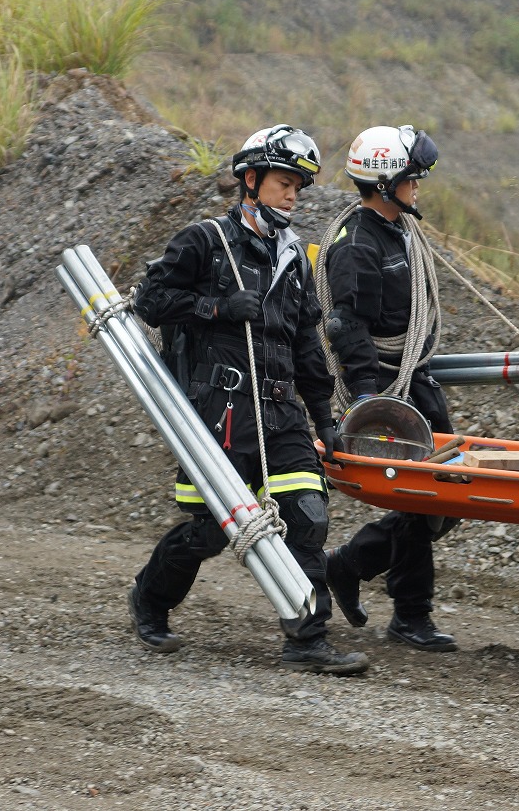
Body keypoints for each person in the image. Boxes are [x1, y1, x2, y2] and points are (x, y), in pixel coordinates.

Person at [127, 124, 369, 676]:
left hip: (282, 413)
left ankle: (306, 639)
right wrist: (216, 307)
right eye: (284, 183)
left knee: (308, 517)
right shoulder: (204, 241)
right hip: (220, 416)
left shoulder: (296, 259)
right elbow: (152, 300)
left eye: (298, 187)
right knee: (208, 532)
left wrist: (325, 418)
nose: (292, 195)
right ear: (251, 180)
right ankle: (150, 599)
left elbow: (308, 344)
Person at [319, 124, 459, 653]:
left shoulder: (397, 230)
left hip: (414, 382)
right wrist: (367, 399)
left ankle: (350, 565)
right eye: (412, 177)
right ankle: (410, 614)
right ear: (384, 183)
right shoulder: (356, 245)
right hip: (388, 388)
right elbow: (347, 328)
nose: (418, 185)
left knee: (445, 495)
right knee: (424, 495)